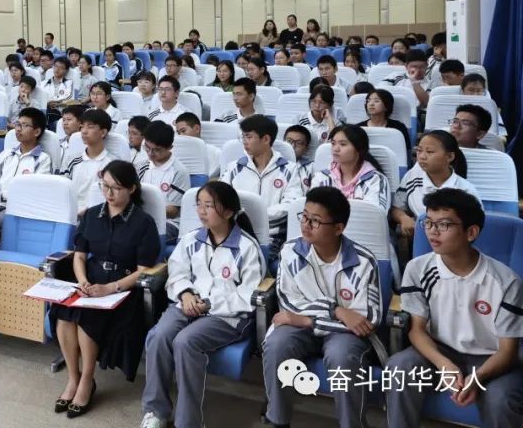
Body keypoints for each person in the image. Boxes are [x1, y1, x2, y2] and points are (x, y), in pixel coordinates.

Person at [386, 189, 523, 428]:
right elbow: (417, 330)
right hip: (441, 350)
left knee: (500, 400)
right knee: (398, 369)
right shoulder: (418, 269)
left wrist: (477, 378)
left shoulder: (505, 281)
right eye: (429, 223)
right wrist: (443, 364)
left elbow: (508, 351)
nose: (433, 231)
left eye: (444, 225)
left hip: (492, 358)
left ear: (471, 232)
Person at [141, 181, 265, 428]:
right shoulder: (191, 240)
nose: (201, 211)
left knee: (185, 342)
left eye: (209, 206)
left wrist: (208, 304)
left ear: (228, 212)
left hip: (227, 316)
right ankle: (156, 411)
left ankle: (188, 422)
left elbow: (247, 295)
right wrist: (185, 294)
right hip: (187, 304)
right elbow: (177, 274)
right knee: (158, 336)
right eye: (199, 205)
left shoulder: (247, 247)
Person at [262, 186, 383, 428]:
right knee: (277, 346)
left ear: (338, 228)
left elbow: (366, 320)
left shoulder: (363, 262)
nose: (306, 225)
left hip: (342, 335)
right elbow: (289, 302)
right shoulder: (291, 252)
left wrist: (308, 319)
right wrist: (336, 310)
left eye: (315, 221)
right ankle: (277, 420)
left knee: (342, 357)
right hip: (307, 327)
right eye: (304, 217)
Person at [52, 160, 161, 417]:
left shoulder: (143, 223)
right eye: (105, 186)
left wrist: (111, 288)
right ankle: (73, 377)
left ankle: (87, 381)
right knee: (64, 314)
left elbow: (144, 270)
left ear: (132, 189)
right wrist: (82, 281)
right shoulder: (92, 215)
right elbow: (80, 256)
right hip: (91, 281)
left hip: (123, 288)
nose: (109, 194)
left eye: (117, 188)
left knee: (86, 316)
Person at [220, 115, 303, 261]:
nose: (244, 141)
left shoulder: (289, 170)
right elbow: (220, 198)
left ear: (266, 139)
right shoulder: (234, 168)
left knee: (248, 260)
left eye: (249, 137)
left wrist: (258, 216)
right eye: (243, 137)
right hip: (235, 231)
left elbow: (291, 204)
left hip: (271, 236)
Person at [392, 130, 479, 239]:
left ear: (450, 157)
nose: (422, 156)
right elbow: (396, 207)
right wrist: (403, 218)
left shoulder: (466, 190)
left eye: (430, 152)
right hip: (419, 238)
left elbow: (472, 229)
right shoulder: (412, 176)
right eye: (419, 150)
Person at [309, 125, 390, 211]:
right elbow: (311, 209)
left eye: (343, 144)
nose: (335, 149)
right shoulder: (321, 177)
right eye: (333, 143)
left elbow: (374, 214)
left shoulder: (375, 179)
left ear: (359, 149)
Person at [138, 121, 190, 243]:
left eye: (157, 150)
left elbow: (173, 211)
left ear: (170, 147)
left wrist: (144, 212)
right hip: (143, 218)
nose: (150, 153)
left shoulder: (179, 171)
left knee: (140, 235)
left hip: (169, 223)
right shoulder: (142, 166)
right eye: (147, 147)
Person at [0, 107, 52, 194]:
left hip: (21, 201)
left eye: (24, 125)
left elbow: (38, 190)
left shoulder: (42, 159)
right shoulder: (7, 154)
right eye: (17, 124)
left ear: (37, 132)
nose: (18, 129)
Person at [60, 109, 114, 212]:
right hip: (70, 213)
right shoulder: (72, 160)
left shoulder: (112, 164)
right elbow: (62, 190)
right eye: (82, 127)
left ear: (103, 132)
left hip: (99, 214)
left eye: (90, 127)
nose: (84, 131)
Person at [356, 89, 412, 155]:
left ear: (386, 106)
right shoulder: (358, 128)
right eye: (368, 101)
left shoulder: (398, 127)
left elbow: (405, 152)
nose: (371, 104)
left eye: (376, 101)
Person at [174, 112, 221, 178]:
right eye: (178, 133)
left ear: (197, 129)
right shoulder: (176, 154)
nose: (180, 136)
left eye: (183, 131)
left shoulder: (215, 152)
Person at [283, 124, 315, 191]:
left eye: (298, 143)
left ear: (306, 148)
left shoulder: (311, 168)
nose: (292, 146)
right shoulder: (272, 162)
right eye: (289, 141)